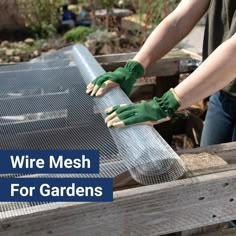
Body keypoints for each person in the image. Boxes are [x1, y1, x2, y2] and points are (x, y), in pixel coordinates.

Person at [86, 0, 236, 147]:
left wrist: (165, 105)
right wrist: (132, 68)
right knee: (211, 163)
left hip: (226, 82)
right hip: (223, 95)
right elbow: (178, 21)